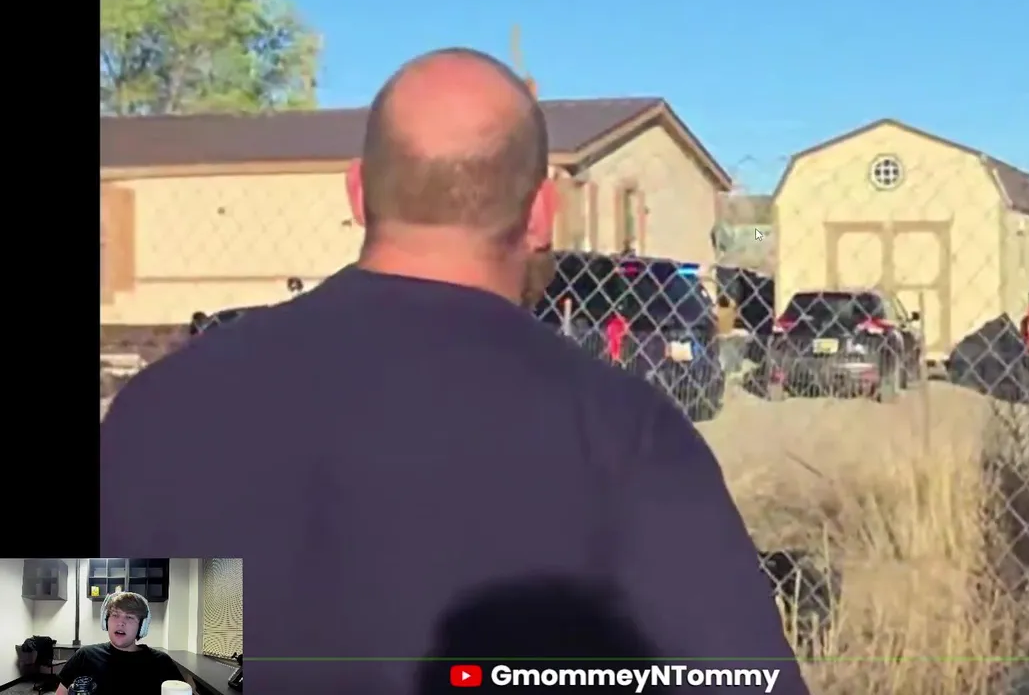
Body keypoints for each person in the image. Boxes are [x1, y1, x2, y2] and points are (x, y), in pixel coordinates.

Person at [100, 47, 808, 694]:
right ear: (541, 213)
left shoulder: (165, 410)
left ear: (358, 194)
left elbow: (100, 675)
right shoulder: (623, 436)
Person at [54, 592, 191, 694]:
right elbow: (61, 693)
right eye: (115, 615)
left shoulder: (161, 662)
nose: (120, 622)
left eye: (129, 617)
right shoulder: (85, 656)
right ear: (105, 621)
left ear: (142, 626)